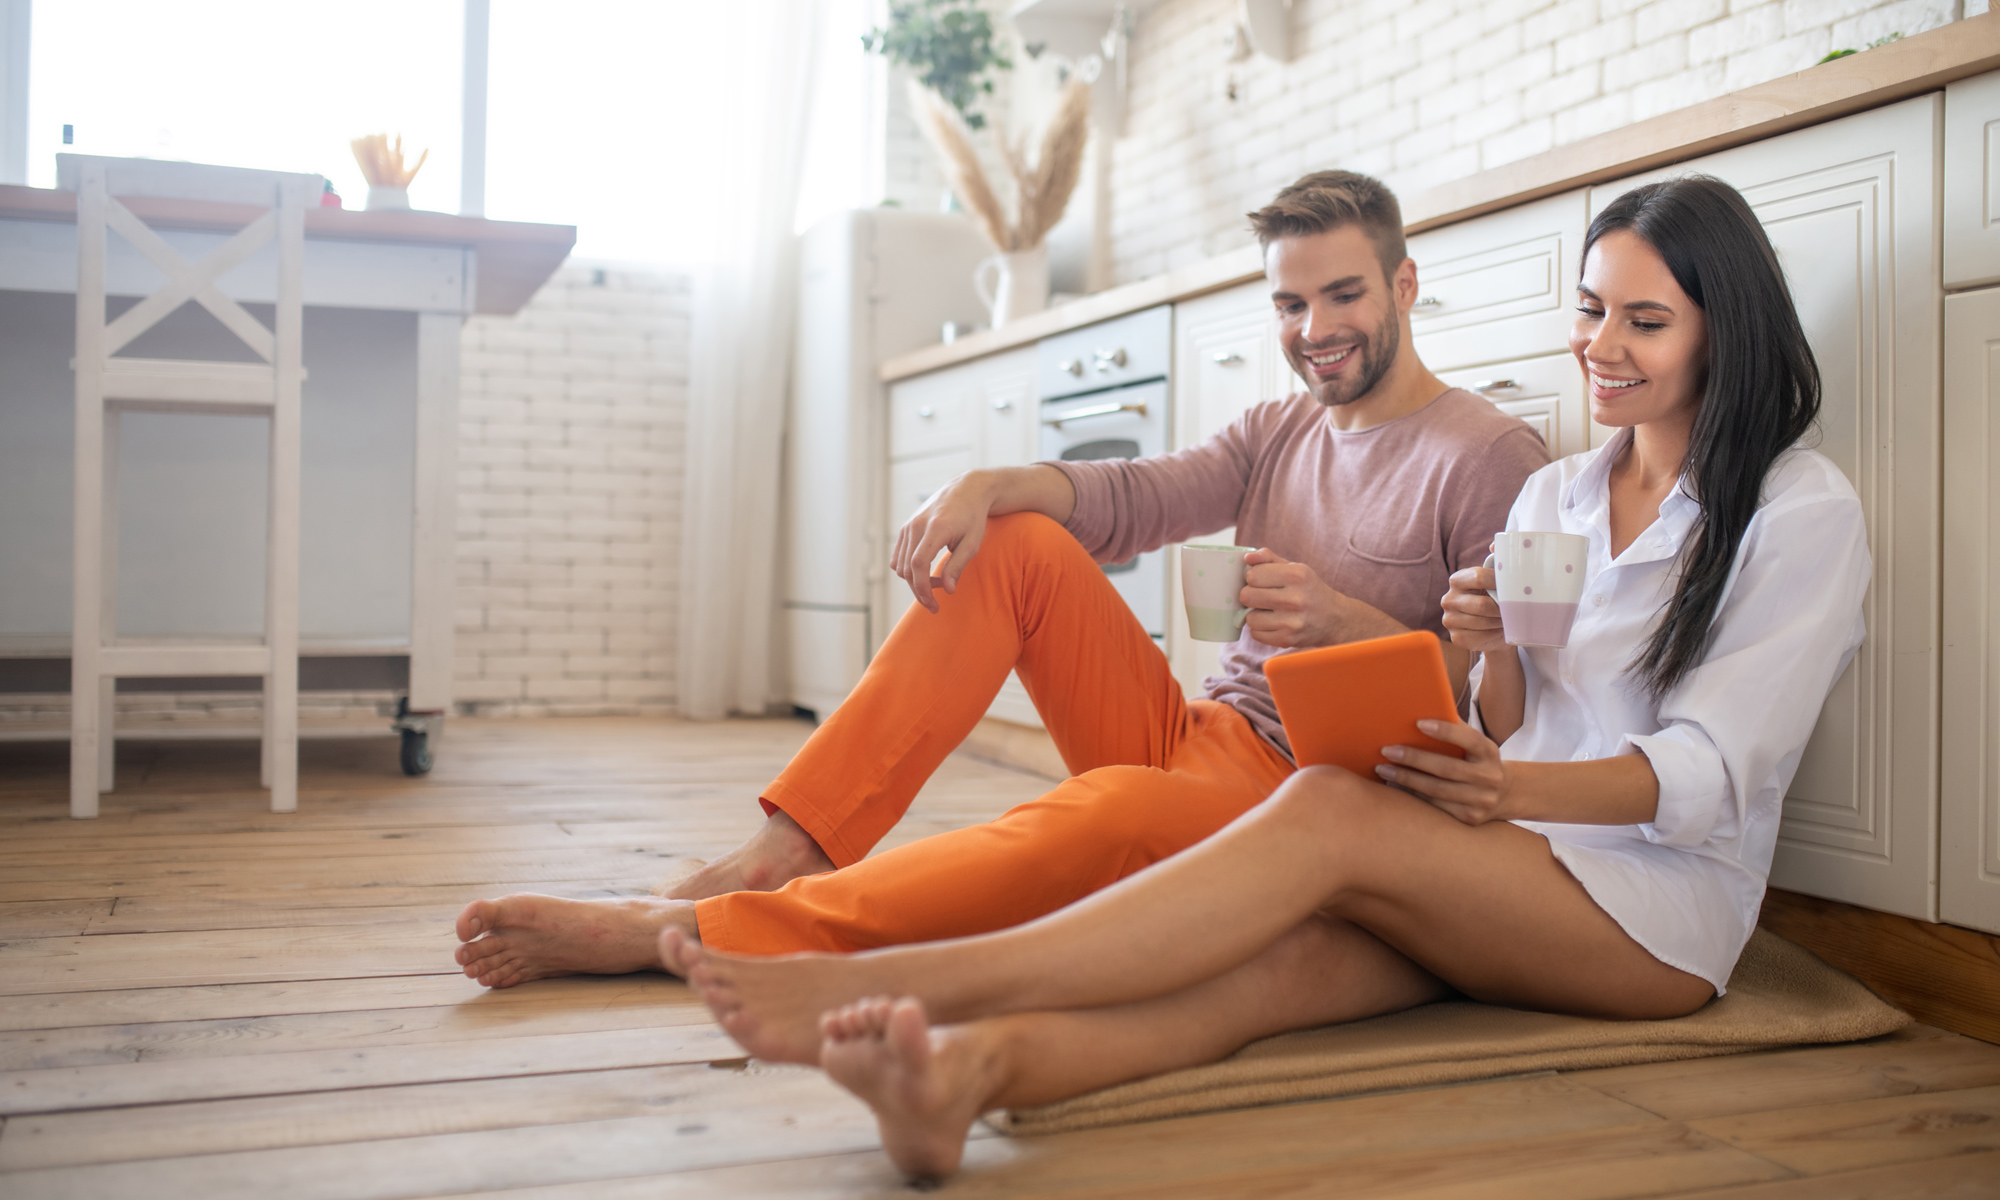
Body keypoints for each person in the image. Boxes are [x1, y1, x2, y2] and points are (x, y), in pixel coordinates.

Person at [660, 174, 1873, 1183]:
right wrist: (1494, 655)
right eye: (1588, 311)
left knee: (1321, 811)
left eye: (1641, 323)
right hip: (1502, 853)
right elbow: (1507, 714)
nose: (1597, 349)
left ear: (1726, 327)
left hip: (1651, 914)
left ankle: (891, 980)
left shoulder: (1796, 511)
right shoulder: (1558, 493)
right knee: (1257, 982)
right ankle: (963, 1074)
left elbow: (1709, 779)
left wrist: (1496, 789)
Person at [451, 170, 1549, 988]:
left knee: (1100, 809)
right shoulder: (1274, 429)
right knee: (1020, 540)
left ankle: (696, 936)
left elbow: (1509, 703)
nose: (1311, 332)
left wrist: (1341, 621)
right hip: (1202, 737)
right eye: (1285, 305)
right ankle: (776, 858)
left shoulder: (1486, 455)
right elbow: (1134, 498)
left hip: (1316, 796)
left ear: (1403, 283)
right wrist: (990, 481)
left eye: (1340, 297)